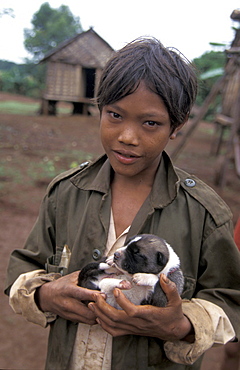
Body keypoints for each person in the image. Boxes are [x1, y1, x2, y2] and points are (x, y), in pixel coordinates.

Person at [4, 37, 240, 370]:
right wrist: (45, 295)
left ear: (178, 125)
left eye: (150, 123)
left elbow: (231, 299)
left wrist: (181, 325)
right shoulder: (65, 193)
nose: (127, 136)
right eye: (115, 115)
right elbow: (23, 270)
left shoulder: (204, 213)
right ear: (99, 108)